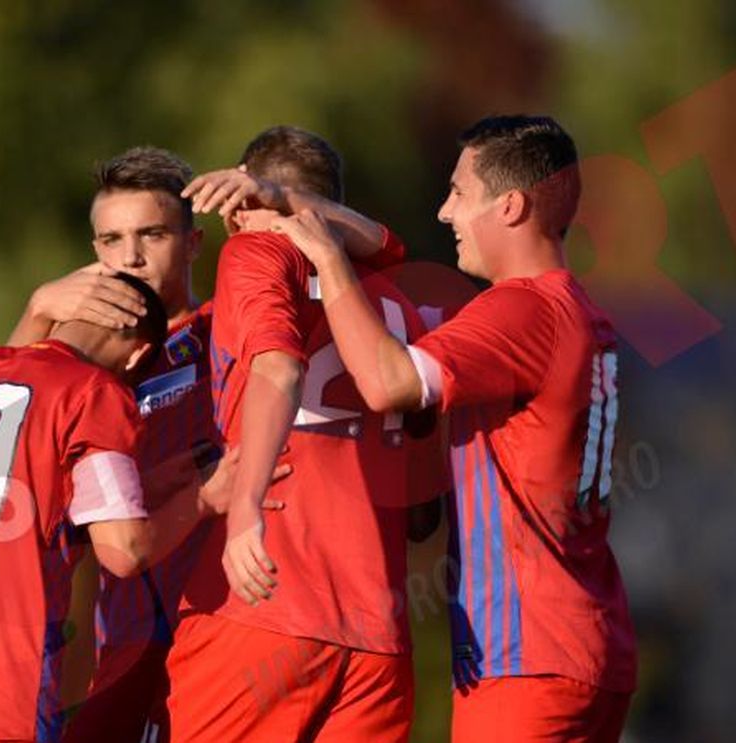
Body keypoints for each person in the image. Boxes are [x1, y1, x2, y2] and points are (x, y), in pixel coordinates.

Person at [10, 144, 405, 742]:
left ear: (194, 242)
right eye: (111, 240)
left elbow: (385, 247)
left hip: (231, 620)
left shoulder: (233, 324)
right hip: (128, 638)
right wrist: (38, 309)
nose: (131, 257)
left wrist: (286, 200)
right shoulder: (81, 364)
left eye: (152, 235)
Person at [273, 115, 638, 742]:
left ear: (511, 206)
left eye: (460, 193)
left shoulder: (521, 307)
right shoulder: (575, 308)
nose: (445, 212)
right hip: (584, 636)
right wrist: (295, 200)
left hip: (528, 654)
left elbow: (388, 381)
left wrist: (329, 262)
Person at [0, 273, 247, 743]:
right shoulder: (93, 392)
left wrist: (160, 482)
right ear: (136, 356)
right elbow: (125, 549)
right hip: (1, 699)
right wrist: (205, 498)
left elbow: (42, 508)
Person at [161, 125, 439, 743]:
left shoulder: (255, 252)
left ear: (239, 197)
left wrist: (245, 509)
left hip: (264, 605)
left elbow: (279, 368)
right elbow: (424, 513)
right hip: (376, 637)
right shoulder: (399, 300)